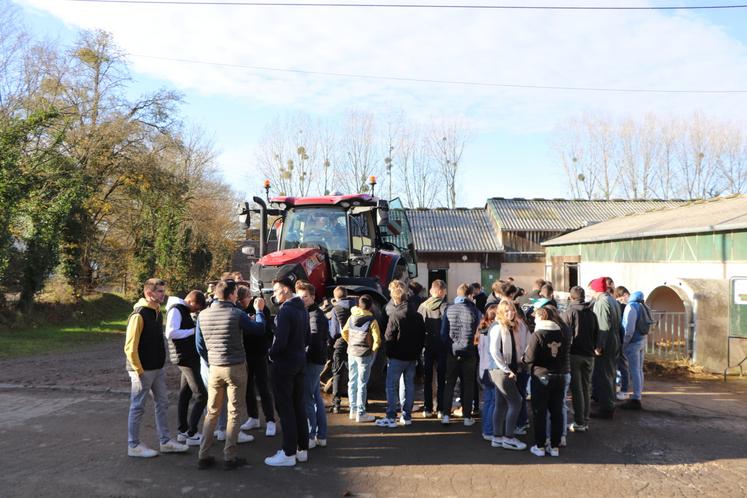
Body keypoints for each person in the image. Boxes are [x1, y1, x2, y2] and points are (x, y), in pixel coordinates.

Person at [197, 280, 266, 470]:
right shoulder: (237, 313)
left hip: (215, 367)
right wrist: (259, 311)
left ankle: (203, 455)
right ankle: (230, 456)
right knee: (234, 412)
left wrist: (212, 358)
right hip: (235, 366)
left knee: (212, 412)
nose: (237, 295)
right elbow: (259, 330)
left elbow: (199, 345)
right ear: (231, 295)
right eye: (235, 292)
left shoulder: (203, 314)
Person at [125, 278, 188, 458]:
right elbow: (130, 347)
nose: (163, 294)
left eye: (163, 290)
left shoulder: (157, 311)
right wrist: (138, 371)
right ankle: (133, 445)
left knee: (163, 403)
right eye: (159, 291)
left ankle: (165, 441)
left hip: (157, 368)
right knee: (138, 407)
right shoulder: (138, 315)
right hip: (142, 370)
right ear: (149, 293)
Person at [264, 268, 311, 467]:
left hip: (284, 365)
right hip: (299, 362)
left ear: (285, 290)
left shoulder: (286, 311)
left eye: (275, 290)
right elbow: (307, 337)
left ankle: (288, 452)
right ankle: (301, 449)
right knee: (298, 406)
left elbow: (280, 342)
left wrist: (270, 354)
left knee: (285, 408)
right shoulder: (302, 308)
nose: (274, 294)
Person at [376, 284, 426, 428]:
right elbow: (422, 337)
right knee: (409, 385)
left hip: (397, 357)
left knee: (391, 386)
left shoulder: (395, 315)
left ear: (395, 300)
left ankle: (391, 416)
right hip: (412, 357)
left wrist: (389, 354)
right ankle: (407, 416)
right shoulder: (418, 316)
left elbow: (389, 337)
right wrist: (417, 354)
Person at [524, 306, 570, 457]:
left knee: (540, 412)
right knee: (556, 412)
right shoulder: (561, 333)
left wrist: (524, 359)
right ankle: (555, 446)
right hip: (559, 375)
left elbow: (530, 358)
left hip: (541, 376)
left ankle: (540, 445)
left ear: (540, 318)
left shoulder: (537, 334)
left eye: (536, 317)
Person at [165, 290, 208, 447]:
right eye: (196, 308)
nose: (195, 311)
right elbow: (170, 333)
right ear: (191, 302)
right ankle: (191, 433)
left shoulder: (181, 309)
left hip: (186, 357)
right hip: (185, 358)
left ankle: (183, 431)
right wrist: (194, 331)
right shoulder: (176, 309)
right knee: (202, 395)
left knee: (185, 394)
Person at [487, 300, 528, 451]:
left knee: (501, 403)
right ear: (501, 312)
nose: (511, 313)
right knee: (516, 401)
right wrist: (506, 369)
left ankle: (497, 437)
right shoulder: (498, 327)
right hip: (501, 371)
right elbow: (494, 351)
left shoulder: (511, 326)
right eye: (507, 311)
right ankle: (509, 438)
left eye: (512, 311)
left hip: (505, 369)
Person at [236, 286, 277, 437]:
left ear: (250, 296)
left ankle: (270, 420)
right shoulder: (239, 310)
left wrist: (254, 322)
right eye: (239, 300)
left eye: (244, 299)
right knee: (247, 387)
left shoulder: (260, 307)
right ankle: (253, 417)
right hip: (244, 353)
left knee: (263, 386)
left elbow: (265, 330)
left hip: (259, 352)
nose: (241, 303)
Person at [440, 283, 481, 426]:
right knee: (468, 384)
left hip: (452, 351)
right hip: (469, 352)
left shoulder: (449, 308)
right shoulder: (474, 310)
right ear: (470, 295)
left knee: (449, 383)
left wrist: (449, 347)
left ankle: (446, 415)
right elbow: (479, 331)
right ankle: (467, 416)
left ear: (458, 294)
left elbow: (443, 333)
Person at [296, 281, 329, 448]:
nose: (302, 300)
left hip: (312, 361)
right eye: (300, 297)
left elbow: (314, 339)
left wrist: (303, 356)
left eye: (305, 297)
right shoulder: (312, 313)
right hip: (316, 360)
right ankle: (321, 436)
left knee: (309, 399)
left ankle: (310, 436)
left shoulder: (314, 315)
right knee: (316, 397)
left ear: (313, 297)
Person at [561, 286, 599, 432]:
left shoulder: (569, 313)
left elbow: (564, 335)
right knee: (586, 388)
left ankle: (579, 422)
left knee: (577, 389)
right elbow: (597, 334)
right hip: (590, 356)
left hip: (574, 355)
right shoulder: (592, 314)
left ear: (571, 297)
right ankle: (585, 420)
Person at [342, 294, 382, 423]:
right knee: (362, 383)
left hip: (351, 352)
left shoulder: (351, 317)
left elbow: (344, 332)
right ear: (370, 307)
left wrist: (350, 342)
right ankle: (361, 412)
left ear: (359, 305)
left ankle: (352, 410)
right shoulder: (372, 321)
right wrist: (372, 351)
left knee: (352, 381)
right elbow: (377, 340)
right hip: (364, 354)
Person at [589, 277, 621, 419]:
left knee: (604, 375)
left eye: (590, 289)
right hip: (614, 340)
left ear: (595, 289)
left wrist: (599, 346)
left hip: (606, 342)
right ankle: (610, 402)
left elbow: (603, 326)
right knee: (611, 373)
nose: (589, 292)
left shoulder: (602, 302)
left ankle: (607, 408)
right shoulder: (612, 300)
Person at [419, 279, 449, 419]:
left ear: (432, 291)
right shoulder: (446, 307)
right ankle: (441, 409)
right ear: (443, 292)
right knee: (442, 379)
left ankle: (427, 407)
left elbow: (418, 328)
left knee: (427, 379)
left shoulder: (422, 306)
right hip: (442, 348)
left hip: (427, 347)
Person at [620, 291, 649, 410]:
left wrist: (623, 344)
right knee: (639, 370)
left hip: (633, 343)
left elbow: (629, 330)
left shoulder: (631, 307)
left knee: (634, 371)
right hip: (642, 340)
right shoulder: (644, 306)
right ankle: (638, 395)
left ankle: (636, 398)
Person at [329, 287, 355, 414]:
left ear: (336, 297)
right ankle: (356, 402)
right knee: (354, 373)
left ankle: (336, 404)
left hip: (340, 344)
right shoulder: (356, 307)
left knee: (337, 373)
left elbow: (334, 332)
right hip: (355, 344)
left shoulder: (336, 309)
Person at [476, 304, 498, 441]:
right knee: (494, 401)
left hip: (483, 369)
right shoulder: (494, 331)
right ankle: (489, 430)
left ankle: (486, 428)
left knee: (488, 401)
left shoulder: (482, 329)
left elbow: (479, 350)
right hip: (491, 369)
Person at [614, 286, 631, 401]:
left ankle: (622, 389)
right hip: (622, 340)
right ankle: (623, 389)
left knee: (620, 366)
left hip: (617, 340)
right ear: (624, 295)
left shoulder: (616, 307)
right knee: (623, 366)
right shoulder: (625, 307)